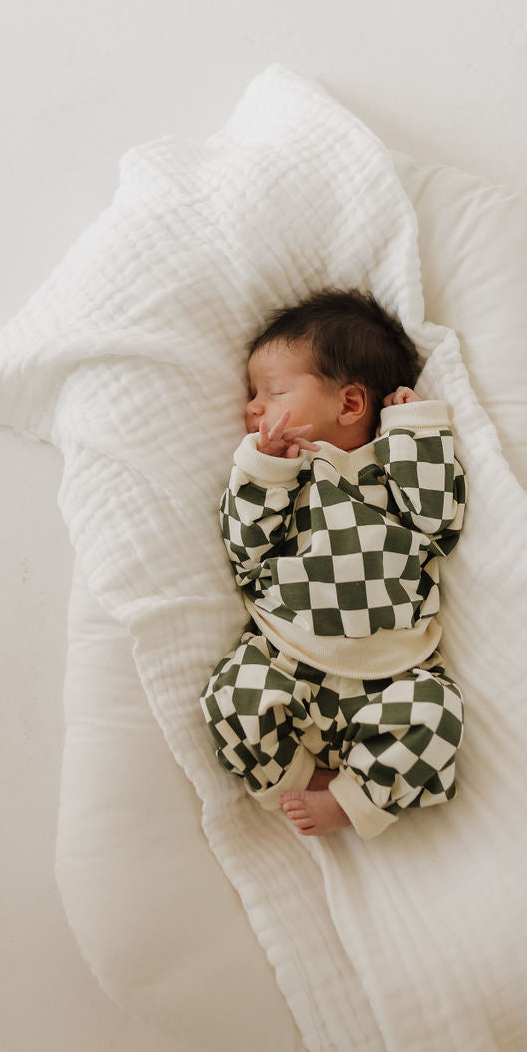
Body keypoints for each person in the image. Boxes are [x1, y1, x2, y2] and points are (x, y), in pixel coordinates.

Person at [200, 288, 466, 840]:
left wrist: (412, 433)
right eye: (254, 393)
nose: (252, 407)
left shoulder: (386, 471)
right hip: (287, 656)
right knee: (231, 698)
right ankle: (305, 779)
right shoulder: (281, 476)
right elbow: (244, 550)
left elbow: (438, 521)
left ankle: (353, 798)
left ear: (349, 405)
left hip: (392, 671)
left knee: (437, 712)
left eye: (273, 392)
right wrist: (265, 471)